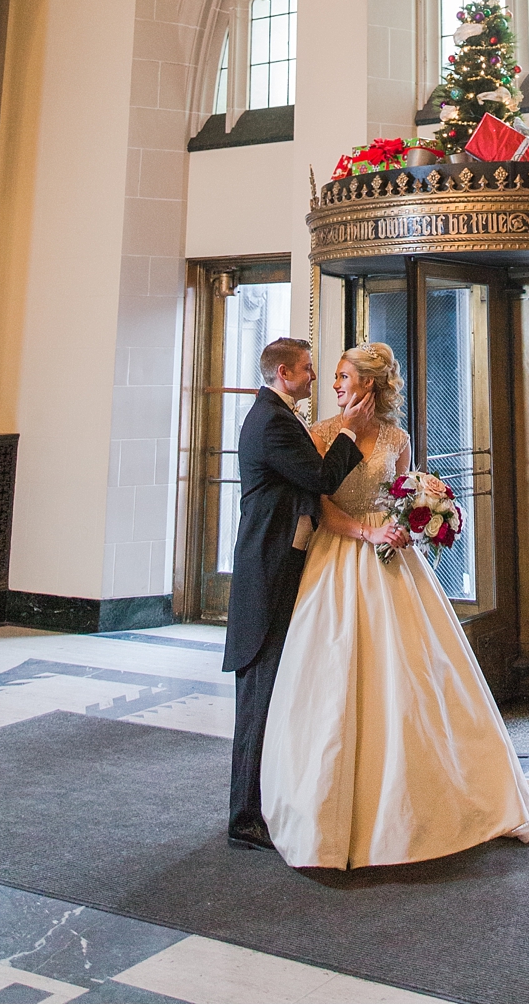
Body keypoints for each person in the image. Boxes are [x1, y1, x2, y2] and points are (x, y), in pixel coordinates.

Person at [261, 341, 529, 869]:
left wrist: (415, 519)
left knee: (413, 674)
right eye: (333, 375)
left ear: (369, 383)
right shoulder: (320, 434)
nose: (334, 383)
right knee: (335, 677)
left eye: (343, 375)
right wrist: (367, 532)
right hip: (338, 559)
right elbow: (318, 506)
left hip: (392, 565)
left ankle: (428, 789)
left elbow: (400, 492)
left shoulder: (397, 437)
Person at [223, 335, 374, 849]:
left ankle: (268, 801)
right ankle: (244, 818)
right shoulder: (271, 421)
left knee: (276, 694)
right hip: (266, 573)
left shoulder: (278, 416)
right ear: (284, 374)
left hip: (287, 566)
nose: (315, 378)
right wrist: (351, 429)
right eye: (308, 369)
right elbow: (321, 477)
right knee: (259, 697)